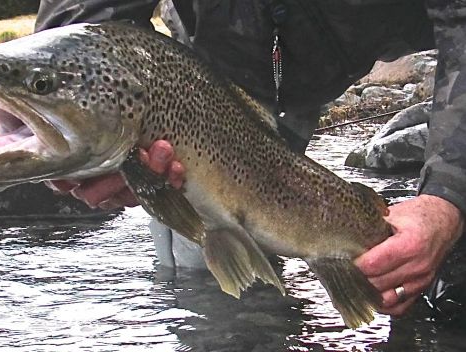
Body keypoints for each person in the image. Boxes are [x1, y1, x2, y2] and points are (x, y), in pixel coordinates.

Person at [35, 0, 465, 317]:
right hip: (205, 83)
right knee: (204, 288)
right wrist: (89, 116)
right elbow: (86, 22)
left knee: (434, 287)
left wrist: (446, 197)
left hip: (354, 42)